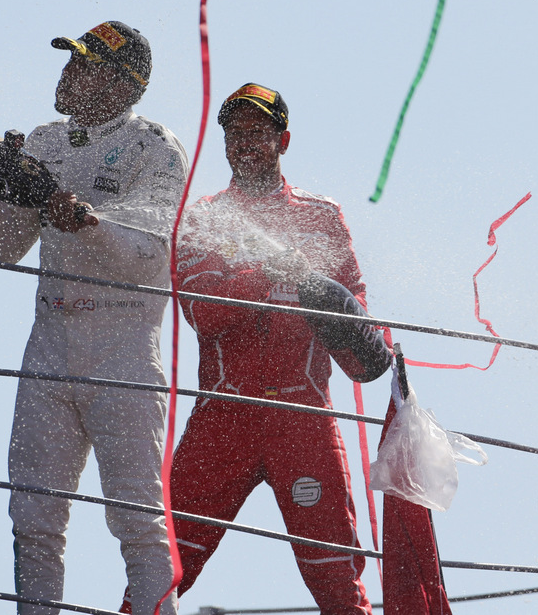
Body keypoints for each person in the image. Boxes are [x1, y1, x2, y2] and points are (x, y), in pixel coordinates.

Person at [0, 21, 186, 615]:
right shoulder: (42, 141)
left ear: (121, 84)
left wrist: (89, 219)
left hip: (124, 343)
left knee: (137, 517)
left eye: (82, 64)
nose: (66, 72)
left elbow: (152, 253)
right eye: (69, 61)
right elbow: (3, 246)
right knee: (32, 516)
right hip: (50, 341)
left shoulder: (156, 146)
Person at [156, 83, 389, 615]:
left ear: (283, 140)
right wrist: (266, 276)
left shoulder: (322, 216)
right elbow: (203, 313)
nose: (244, 143)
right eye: (233, 134)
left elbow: (359, 321)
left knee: (337, 582)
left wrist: (379, 354)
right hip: (222, 414)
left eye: (257, 133)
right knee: (162, 569)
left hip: (303, 414)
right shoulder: (202, 217)